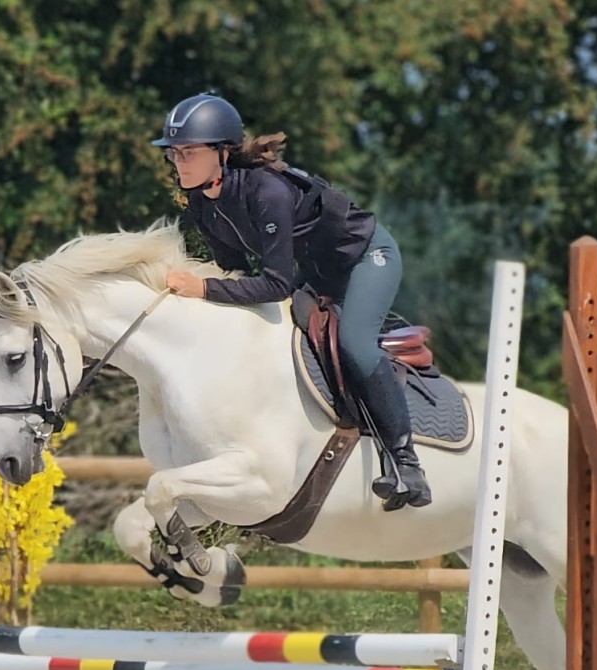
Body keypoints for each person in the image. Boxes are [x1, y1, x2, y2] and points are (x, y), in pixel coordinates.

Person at [152, 93, 431, 511]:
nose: (179, 162)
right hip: (315, 270)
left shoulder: (268, 192)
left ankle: (408, 464)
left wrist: (202, 289)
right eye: (174, 153)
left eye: (189, 152)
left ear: (222, 153)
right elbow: (236, 274)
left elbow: (276, 284)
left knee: (354, 341)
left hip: (365, 257)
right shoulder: (202, 205)